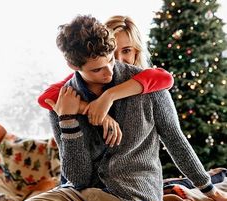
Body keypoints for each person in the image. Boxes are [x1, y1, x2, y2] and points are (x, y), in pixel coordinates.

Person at [0, 14, 227, 201]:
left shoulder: (149, 89)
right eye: (96, 69)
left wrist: (208, 189)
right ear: (74, 66)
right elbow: (78, 177)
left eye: (112, 60)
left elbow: (176, 141)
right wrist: (69, 121)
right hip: (76, 195)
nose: (108, 72)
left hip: (130, 200)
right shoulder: (63, 102)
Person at [37, 15, 173, 131]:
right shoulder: (87, 77)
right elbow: (45, 98)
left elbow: (165, 78)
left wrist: (108, 96)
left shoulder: (143, 78)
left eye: (126, 50)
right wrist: (86, 107)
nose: (119, 60)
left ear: (137, 51)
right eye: (113, 54)